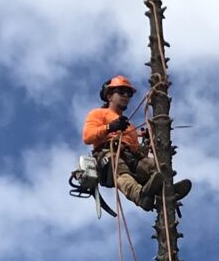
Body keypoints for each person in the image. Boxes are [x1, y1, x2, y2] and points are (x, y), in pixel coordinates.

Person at [81, 76, 189, 208]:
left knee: (156, 166)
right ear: (109, 96)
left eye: (129, 94)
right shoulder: (98, 114)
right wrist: (110, 127)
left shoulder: (129, 126)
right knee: (120, 168)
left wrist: (148, 143)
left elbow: (135, 150)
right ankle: (140, 196)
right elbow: (87, 136)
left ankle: (167, 191)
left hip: (131, 158)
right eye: (121, 92)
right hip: (109, 155)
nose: (126, 96)